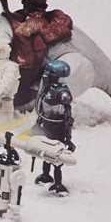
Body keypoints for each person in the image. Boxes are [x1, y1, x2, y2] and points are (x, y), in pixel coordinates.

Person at [33, 59, 76, 196]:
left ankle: (58, 183)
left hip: (58, 128)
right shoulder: (46, 89)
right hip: (47, 125)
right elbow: (41, 106)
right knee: (45, 152)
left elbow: (67, 115)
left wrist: (68, 137)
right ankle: (45, 175)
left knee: (57, 156)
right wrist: (39, 121)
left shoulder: (63, 94)